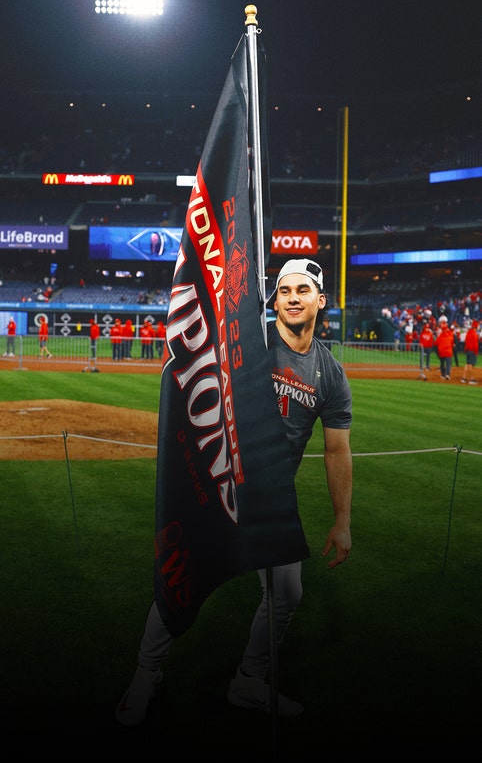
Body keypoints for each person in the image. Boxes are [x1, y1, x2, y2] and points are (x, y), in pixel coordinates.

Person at [115, 257, 353, 727]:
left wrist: (342, 522)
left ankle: (249, 679)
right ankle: (146, 673)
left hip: (272, 497)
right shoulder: (249, 341)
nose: (292, 298)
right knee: (184, 579)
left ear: (320, 301)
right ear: (276, 299)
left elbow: (336, 453)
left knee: (287, 591)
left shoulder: (330, 373)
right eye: (284, 291)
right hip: (222, 481)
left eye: (302, 290)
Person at [460, 320, 479, 385]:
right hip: (472, 350)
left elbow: (466, 341)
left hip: (468, 350)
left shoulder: (468, 333)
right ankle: (471, 379)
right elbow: (475, 344)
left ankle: (464, 378)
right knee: (471, 365)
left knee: (467, 364)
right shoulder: (474, 334)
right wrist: (476, 352)